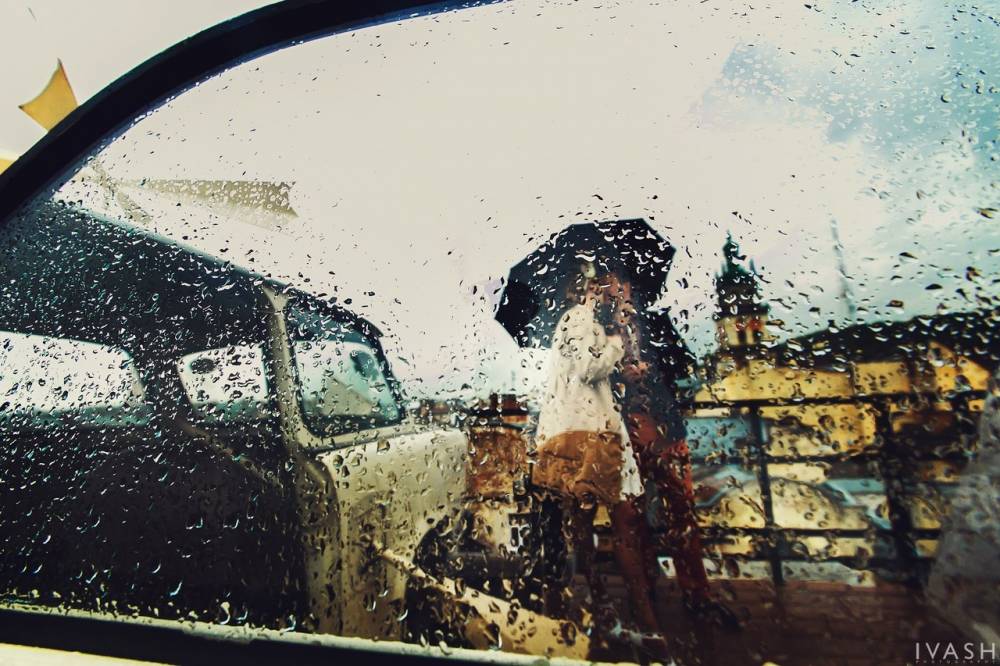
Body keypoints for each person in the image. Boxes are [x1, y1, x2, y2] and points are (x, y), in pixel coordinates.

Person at [531, 264, 666, 654]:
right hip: (591, 439)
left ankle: (607, 611)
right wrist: (618, 341)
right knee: (615, 522)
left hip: (597, 433)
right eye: (615, 285)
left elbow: (592, 373)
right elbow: (588, 368)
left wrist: (625, 366)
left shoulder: (589, 322)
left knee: (589, 527)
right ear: (594, 286)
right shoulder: (578, 317)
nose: (620, 292)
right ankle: (642, 623)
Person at [610, 275, 741, 632]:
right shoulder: (599, 330)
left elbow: (682, 364)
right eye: (608, 282)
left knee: (682, 509)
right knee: (634, 515)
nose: (614, 288)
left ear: (631, 287)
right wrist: (621, 376)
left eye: (619, 282)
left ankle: (697, 593)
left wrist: (651, 369)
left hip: (664, 427)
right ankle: (647, 588)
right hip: (625, 430)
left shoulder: (655, 321)